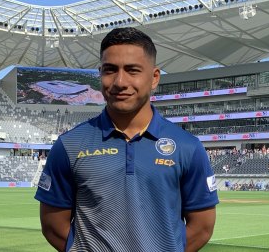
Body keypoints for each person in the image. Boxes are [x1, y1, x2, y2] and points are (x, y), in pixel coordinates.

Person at [35, 27, 218, 252]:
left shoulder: (188, 146)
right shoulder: (69, 145)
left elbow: (202, 226)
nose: (120, 82)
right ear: (100, 73)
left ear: (154, 78)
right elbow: (53, 226)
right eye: (110, 70)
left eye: (132, 70)